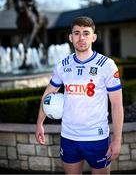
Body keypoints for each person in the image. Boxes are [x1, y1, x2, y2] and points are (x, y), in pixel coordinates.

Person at [35, 16, 124, 174]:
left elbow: (117, 105)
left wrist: (117, 139)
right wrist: (39, 123)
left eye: (85, 33)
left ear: (93, 37)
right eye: (76, 33)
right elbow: (48, 94)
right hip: (68, 137)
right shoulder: (63, 65)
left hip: (97, 138)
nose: (81, 37)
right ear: (70, 37)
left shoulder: (107, 65)